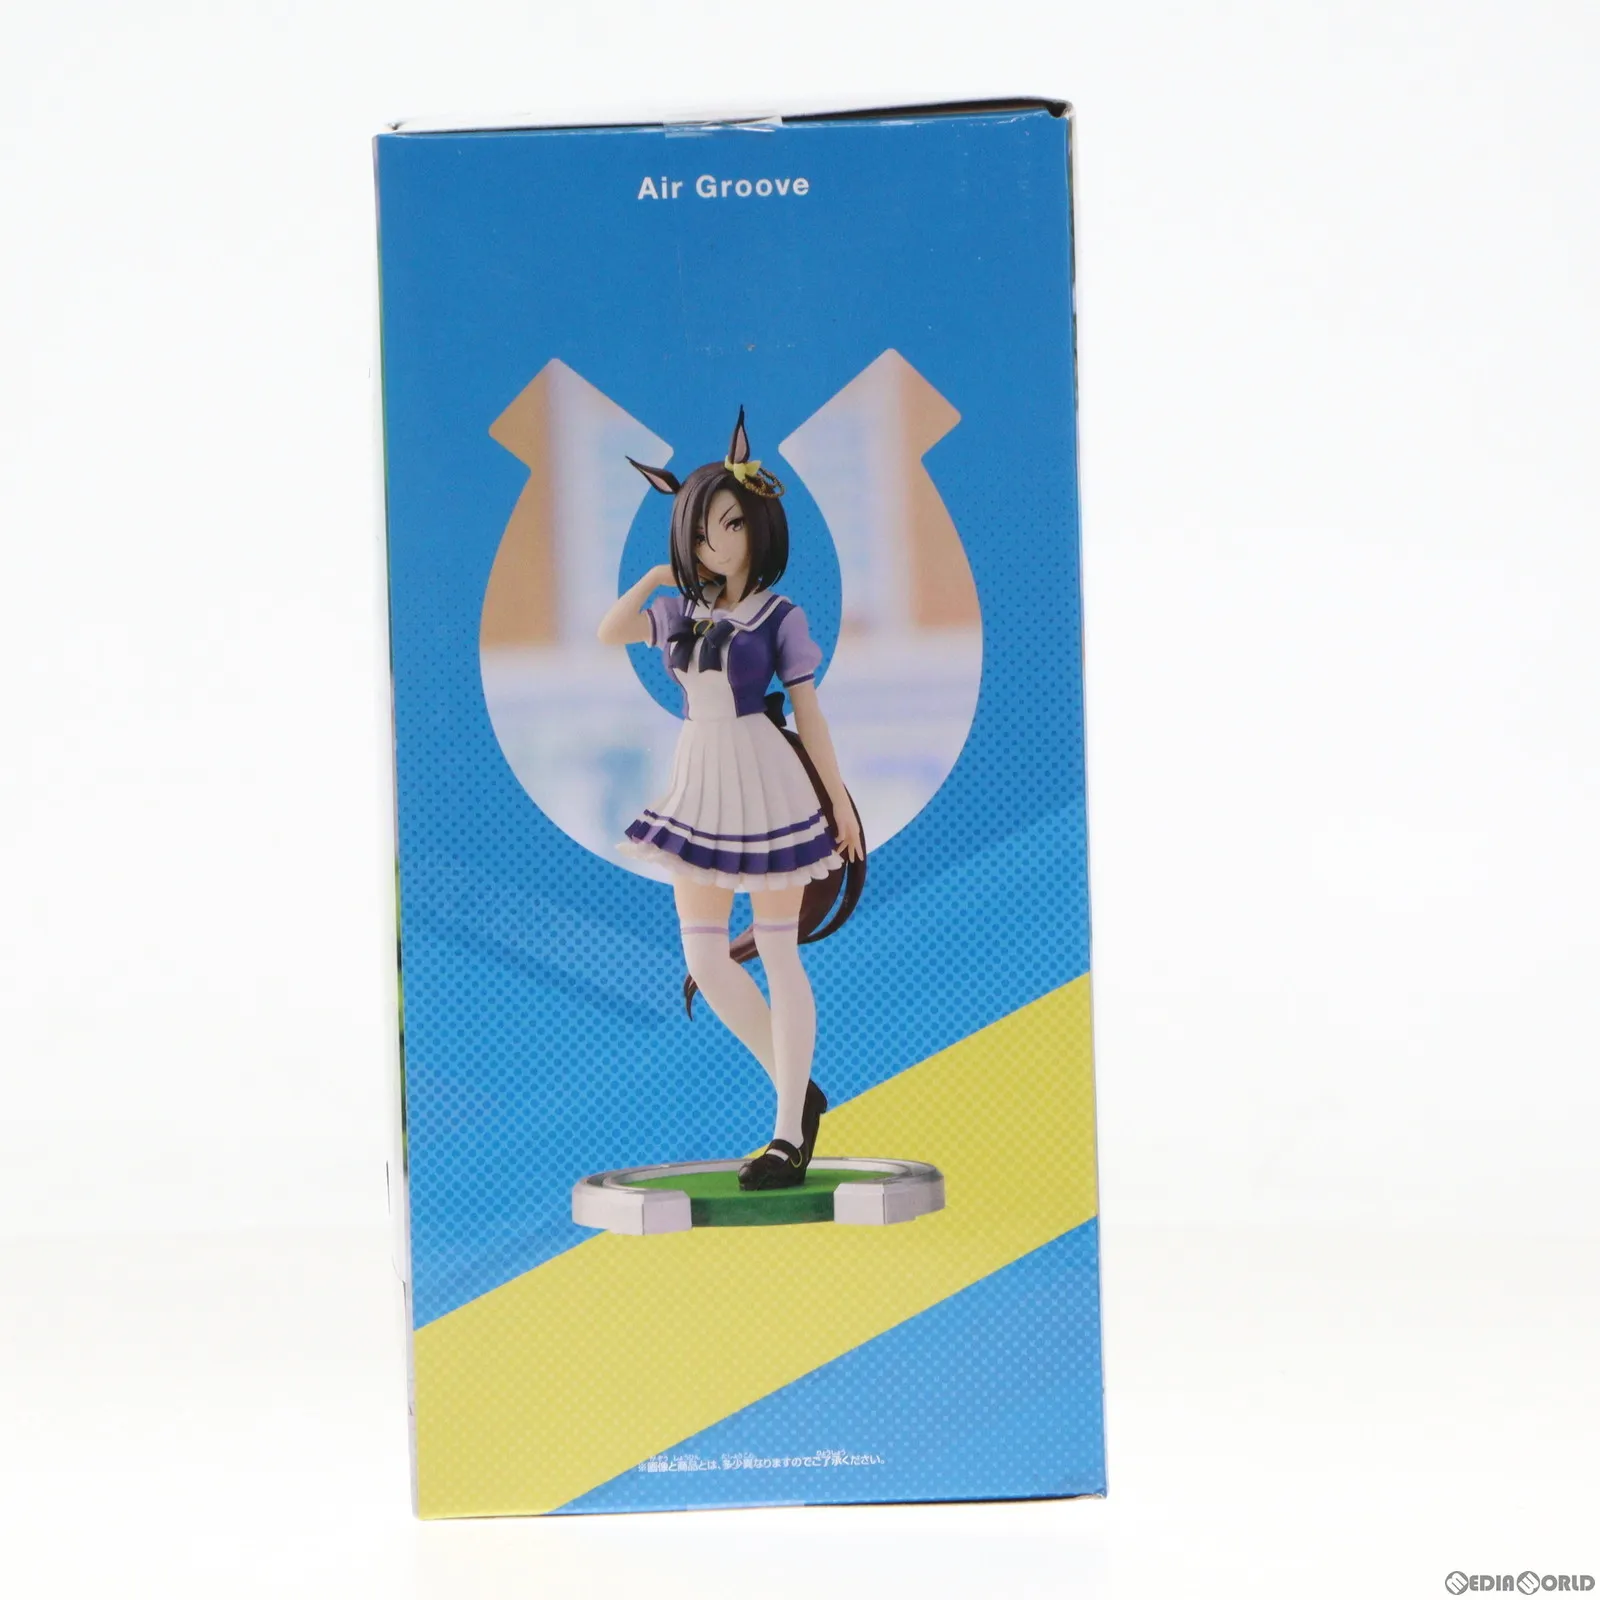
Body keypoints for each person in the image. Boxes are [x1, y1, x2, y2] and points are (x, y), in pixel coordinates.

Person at [596, 408, 865, 1191]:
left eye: (731, 524)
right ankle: (798, 1090)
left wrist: (840, 805)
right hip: (700, 780)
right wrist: (658, 576)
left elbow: (810, 713)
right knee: (706, 958)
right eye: (701, 530)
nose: (717, 542)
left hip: (766, 778)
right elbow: (611, 631)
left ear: (758, 527)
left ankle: (786, 1134)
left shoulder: (781, 616)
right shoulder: (681, 612)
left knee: (778, 951)